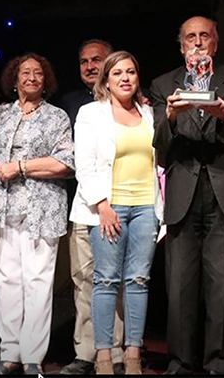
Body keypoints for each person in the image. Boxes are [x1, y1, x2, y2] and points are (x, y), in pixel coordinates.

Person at [151, 16, 224, 375]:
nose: (197, 43)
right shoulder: (163, 84)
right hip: (183, 192)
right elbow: (160, 147)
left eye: (204, 36)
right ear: (181, 45)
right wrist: (168, 118)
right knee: (180, 287)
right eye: (190, 38)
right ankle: (181, 363)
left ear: (216, 41)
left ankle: (222, 365)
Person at [71, 50, 163, 375]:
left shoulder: (148, 114)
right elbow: (83, 164)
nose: (125, 78)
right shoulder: (90, 114)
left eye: (131, 72)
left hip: (145, 208)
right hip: (107, 208)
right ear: (106, 81)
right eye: (117, 73)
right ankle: (104, 356)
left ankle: (134, 353)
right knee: (106, 281)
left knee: (138, 281)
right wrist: (102, 205)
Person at [0, 53, 74, 375]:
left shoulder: (57, 117)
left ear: (46, 80)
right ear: (14, 79)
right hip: (5, 208)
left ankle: (32, 357)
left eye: (39, 73)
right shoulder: (0, 115)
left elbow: (65, 163)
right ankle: (8, 353)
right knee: (7, 281)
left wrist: (21, 167)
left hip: (43, 211)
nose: (32, 78)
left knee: (38, 282)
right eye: (25, 73)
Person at [58, 40, 127, 375]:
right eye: (83, 61)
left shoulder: (131, 105)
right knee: (84, 280)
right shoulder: (70, 105)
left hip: (122, 207)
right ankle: (86, 353)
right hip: (84, 206)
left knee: (115, 282)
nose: (89, 66)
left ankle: (115, 353)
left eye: (96, 60)